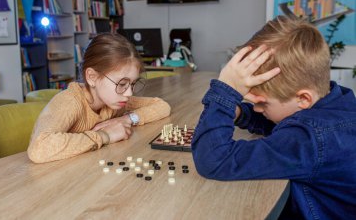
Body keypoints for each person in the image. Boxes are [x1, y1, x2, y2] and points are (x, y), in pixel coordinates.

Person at [191, 16, 356, 219]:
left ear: (303, 98)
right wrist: (242, 113)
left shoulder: (309, 140)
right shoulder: (337, 104)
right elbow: (286, 119)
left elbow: (213, 159)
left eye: (262, 103)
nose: (257, 109)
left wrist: (225, 92)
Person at [28, 33, 171, 163]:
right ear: (92, 77)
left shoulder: (114, 100)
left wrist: (126, 119)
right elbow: (38, 148)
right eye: (122, 84)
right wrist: (104, 135)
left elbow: (162, 106)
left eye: (132, 84)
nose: (129, 93)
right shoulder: (71, 102)